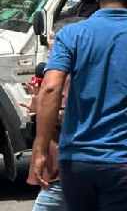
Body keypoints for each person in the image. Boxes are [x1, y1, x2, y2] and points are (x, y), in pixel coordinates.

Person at [32, 0, 127, 211]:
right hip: (126, 161)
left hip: (76, 160)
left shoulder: (71, 35)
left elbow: (50, 89)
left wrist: (40, 150)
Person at [26, 17, 84, 211]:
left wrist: (44, 109)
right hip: (59, 166)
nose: (50, 47)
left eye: (55, 41)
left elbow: (69, 116)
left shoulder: (67, 77)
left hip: (64, 166)